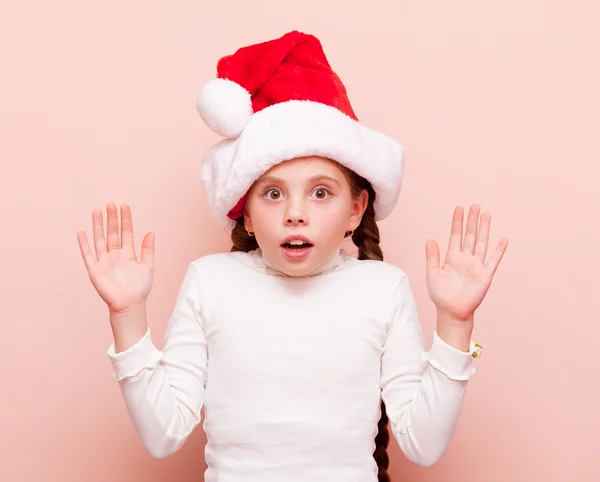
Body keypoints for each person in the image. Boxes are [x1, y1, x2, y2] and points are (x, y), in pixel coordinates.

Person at [76, 31, 508, 482]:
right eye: (274, 193)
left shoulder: (383, 287)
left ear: (355, 211)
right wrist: (127, 315)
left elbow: (424, 444)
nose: (295, 214)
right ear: (245, 213)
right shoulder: (210, 281)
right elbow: (163, 434)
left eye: (321, 192)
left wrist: (456, 325)